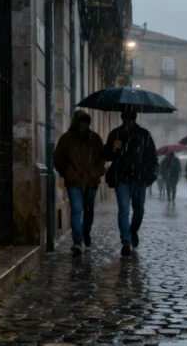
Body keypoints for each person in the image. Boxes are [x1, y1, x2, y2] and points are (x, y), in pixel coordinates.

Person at [103, 111, 158, 256]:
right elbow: (107, 156)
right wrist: (113, 149)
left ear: (134, 119)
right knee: (124, 209)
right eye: (126, 119)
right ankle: (126, 241)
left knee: (139, 210)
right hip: (122, 178)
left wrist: (150, 175)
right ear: (122, 118)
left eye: (130, 119)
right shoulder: (115, 134)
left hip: (139, 179)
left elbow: (152, 157)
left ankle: (132, 231)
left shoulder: (144, 135)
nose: (128, 122)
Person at [53, 110, 105, 257]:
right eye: (81, 121)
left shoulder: (95, 139)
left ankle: (85, 233)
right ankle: (77, 241)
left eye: (86, 121)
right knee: (76, 209)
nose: (84, 124)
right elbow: (58, 159)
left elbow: (102, 159)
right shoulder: (66, 139)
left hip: (91, 181)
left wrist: (96, 172)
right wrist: (68, 173)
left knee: (89, 210)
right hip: (74, 181)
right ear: (76, 122)